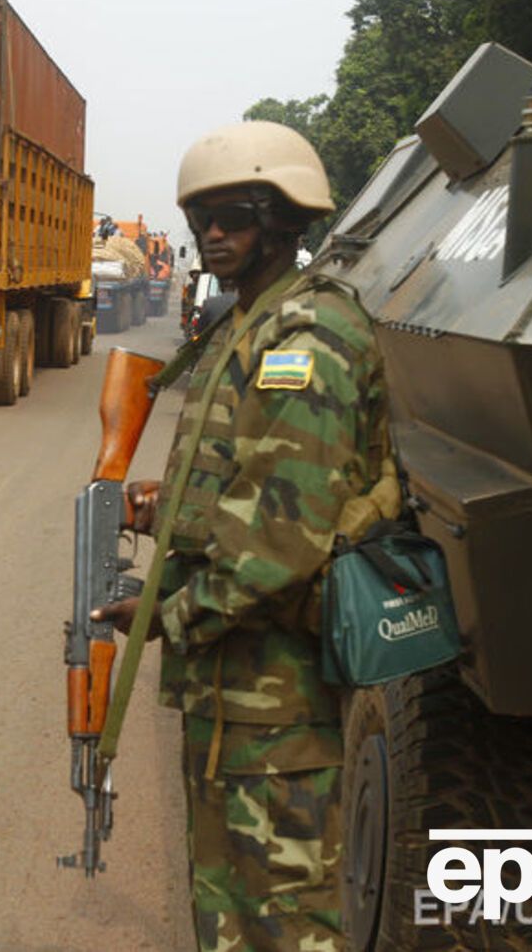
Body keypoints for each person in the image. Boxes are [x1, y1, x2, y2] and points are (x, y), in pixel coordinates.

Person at [94, 121, 393, 951]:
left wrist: (167, 615)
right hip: (232, 700)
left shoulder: (308, 338)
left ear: (286, 220)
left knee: (286, 922)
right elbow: (242, 483)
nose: (213, 235)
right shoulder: (245, 328)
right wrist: (164, 512)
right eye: (202, 220)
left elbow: (281, 540)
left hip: (281, 710)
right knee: (228, 916)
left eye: (235, 215)